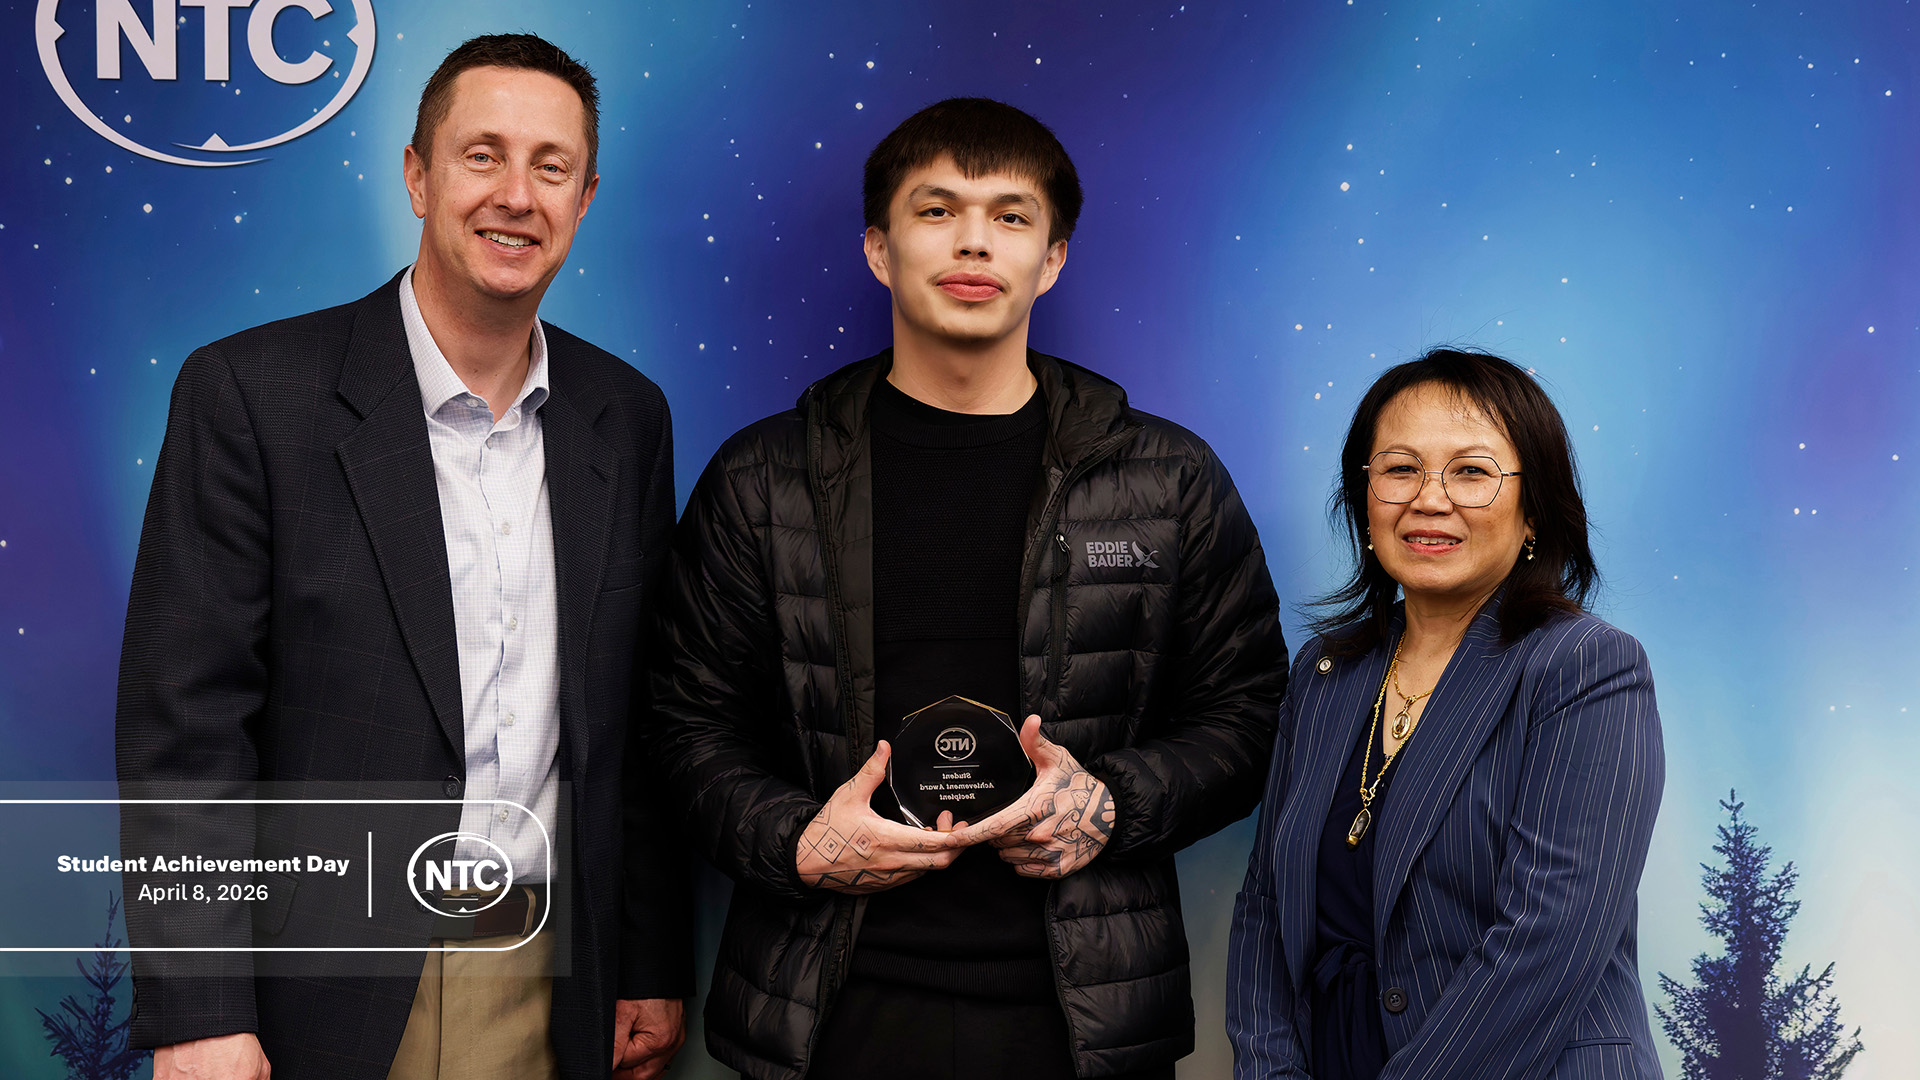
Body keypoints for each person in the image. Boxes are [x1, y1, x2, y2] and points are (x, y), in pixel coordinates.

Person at [648, 97, 1288, 1079]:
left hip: (1084, 1027)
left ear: (1053, 259)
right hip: (830, 1016)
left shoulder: (1167, 478)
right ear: (879, 248)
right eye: (937, 210)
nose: (975, 242)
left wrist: (1112, 804)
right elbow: (681, 724)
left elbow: (1251, 716)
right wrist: (799, 841)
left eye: (1011, 216)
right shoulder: (762, 478)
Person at [115, 34, 690, 1080]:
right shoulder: (251, 396)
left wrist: (646, 959)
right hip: (315, 988)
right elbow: (185, 730)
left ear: (586, 198)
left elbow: (635, 722)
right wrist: (200, 1009)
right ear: (418, 176)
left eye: (551, 166)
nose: (517, 195)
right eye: (483, 155)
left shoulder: (626, 416)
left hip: (548, 980)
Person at [1226, 349, 1665, 1080]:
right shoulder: (1327, 672)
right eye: (1400, 469)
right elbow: (1266, 911)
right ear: (1364, 497)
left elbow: (1548, 941)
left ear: (1534, 509)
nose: (1429, 500)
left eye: (1471, 472)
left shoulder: (1585, 667)